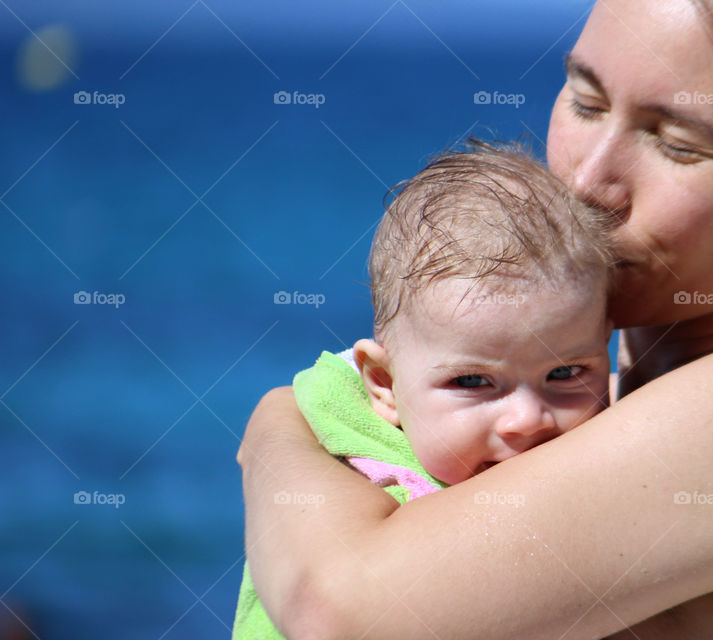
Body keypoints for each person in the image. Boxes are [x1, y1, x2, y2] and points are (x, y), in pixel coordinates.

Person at [237, 1, 713, 638]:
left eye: (678, 143)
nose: (588, 184)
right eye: (585, 99)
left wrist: (275, 424)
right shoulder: (593, 397)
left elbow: (341, 614)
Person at [233, 144, 614, 638]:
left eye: (565, 373)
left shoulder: (628, 435)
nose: (527, 418)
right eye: (472, 382)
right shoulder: (357, 471)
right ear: (385, 385)